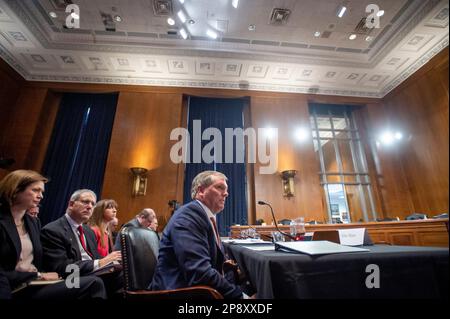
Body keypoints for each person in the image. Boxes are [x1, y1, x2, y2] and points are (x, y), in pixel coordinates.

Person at [0, 170, 106, 299]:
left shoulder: (33, 222)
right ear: (15, 189)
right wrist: (38, 275)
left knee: (116, 277)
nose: (41, 196)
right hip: (17, 286)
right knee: (93, 283)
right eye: (35, 190)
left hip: (39, 282)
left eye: (42, 192)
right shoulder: (52, 229)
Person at [150, 171, 248, 299]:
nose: (226, 193)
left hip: (197, 288)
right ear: (201, 191)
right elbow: (200, 274)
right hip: (180, 292)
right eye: (219, 187)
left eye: (226, 189)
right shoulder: (188, 217)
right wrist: (240, 296)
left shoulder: (204, 216)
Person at [40, 189, 122, 297]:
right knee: (95, 282)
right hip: (69, 278)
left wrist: (112, 263)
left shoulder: (88, 231)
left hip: (90, 273)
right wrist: (101, 262)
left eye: (92, 204)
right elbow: (62, 268)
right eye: (85, 202)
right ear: (71, 204)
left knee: (123, 275)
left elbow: (96, 258)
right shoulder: (53, 230)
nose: (89, 206)